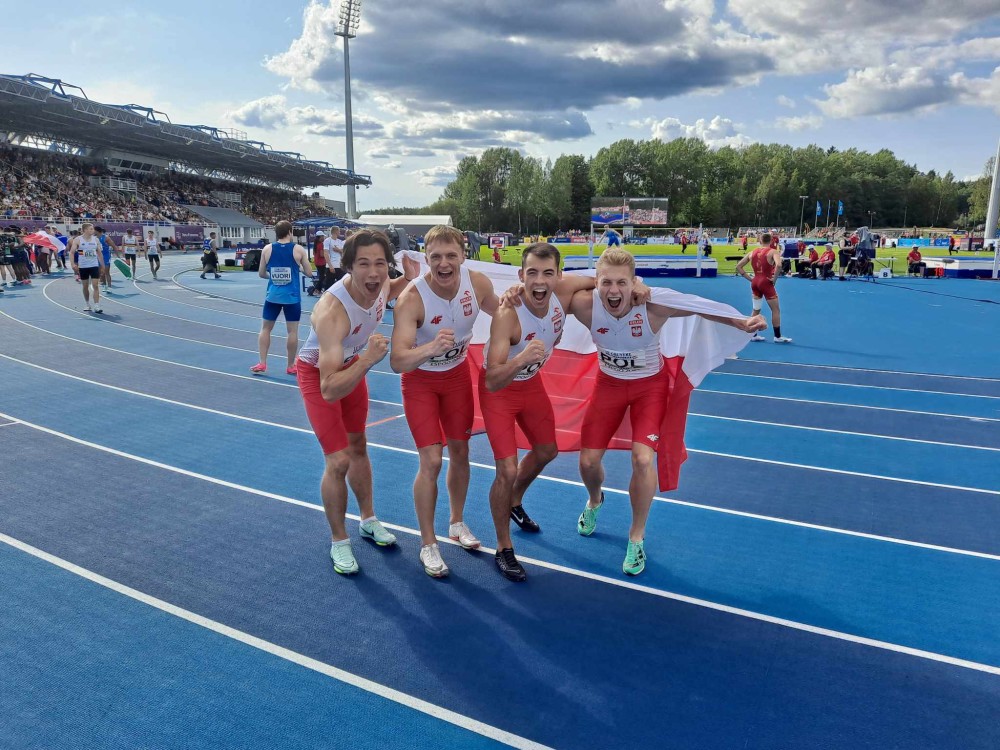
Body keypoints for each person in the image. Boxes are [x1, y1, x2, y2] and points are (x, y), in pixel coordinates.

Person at [566, 249, 764, 575]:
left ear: (633, 283)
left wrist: (740, 322)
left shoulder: (654, 304)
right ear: (595, 283)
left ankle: (636, 536)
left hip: (649, 388)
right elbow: (550, 290)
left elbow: (698, 305)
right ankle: (595, 499)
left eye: (622, 283)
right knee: (587, 462)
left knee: (643, 459)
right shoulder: (584, 304)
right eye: (606, 283)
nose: (614, 291)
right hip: (608, 387)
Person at [480, 242, 611, 581]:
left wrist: (636, 285)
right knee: (506, 470)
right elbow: (492, 380)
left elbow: (603, 279)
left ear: (558, 276)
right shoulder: (508, 314)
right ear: (521, 275)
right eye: (532, 274)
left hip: (531, 386)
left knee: (546, 451)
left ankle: (514, 502)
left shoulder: (562, 293)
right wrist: (521, 357)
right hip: (501, 392)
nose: (540, 282)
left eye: (547, 273)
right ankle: (503, 547)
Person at [296, 229, 418, 575]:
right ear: (347, 266)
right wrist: (366, 360)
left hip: (352, 366)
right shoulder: (331, 312)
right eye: (363, 264)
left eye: (380, 263)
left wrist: (407, 277)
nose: (374, 272)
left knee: (359, 446)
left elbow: (392, 289)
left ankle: (369, 520)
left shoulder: (381, 283)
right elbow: (329, 389)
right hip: (322, 374)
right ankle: (339, 541)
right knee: (338, 460)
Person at [390, 224, 505, 579]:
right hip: (421, 383)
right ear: (426, 259)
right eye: (435, 257)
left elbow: (504, 315)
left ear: (463, 255)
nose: (443, 263)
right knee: (431, 462)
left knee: (461, 452)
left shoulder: (478, 283)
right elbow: (397, 361)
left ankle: (456, 522)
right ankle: (428, 543)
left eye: (450, 255)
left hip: (456, 379)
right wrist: (430, 348)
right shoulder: (412, 298)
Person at [251, 220, 314, 376]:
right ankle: (291, 365)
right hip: (292, 298)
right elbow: (310, 273)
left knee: (265, 329)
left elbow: (261, 273)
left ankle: (262, 363)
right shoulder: (298, 250)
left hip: (272, 296)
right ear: (290, 232)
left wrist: (274, 277)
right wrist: (297, 268)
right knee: (292, 331)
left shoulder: (267, 249)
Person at [736, 233, 792, 343]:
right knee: (775, 310)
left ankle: (752, 334)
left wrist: (750, 279)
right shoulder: (773, 251)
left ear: (759, 240)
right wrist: (774, 279)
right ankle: (777, 336)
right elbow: (779, 265)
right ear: (771, 241)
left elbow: (738, 266)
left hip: (755, 282)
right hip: (766, 282)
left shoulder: (752, 252)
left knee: (756, 309)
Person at [69, 223, 105, 313]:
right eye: (91, 229)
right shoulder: (78, 240)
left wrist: (103, 265)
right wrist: (73, 264)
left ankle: (97, 305)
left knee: (95, 285)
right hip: (83, 266)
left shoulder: (96, 240)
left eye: (93, 229)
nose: (93, 230)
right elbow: (72, 252)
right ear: (85, 230)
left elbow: (99, 253)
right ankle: (87, 304)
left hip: (94, 265)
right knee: (85, 286)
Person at [95, 227, 116, 293]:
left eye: (94, 230)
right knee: (101, 273)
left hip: (106, 256)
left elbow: (114, 246)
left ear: (97, 231)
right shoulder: (93, 238)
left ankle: (109, 286)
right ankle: (105, 286)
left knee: (106, 272)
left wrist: (118, 256)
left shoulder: (106, 238)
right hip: (98, 257)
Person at [309, 230, 327, 296]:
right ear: (320, 237)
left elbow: (315, 253)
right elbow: (322, 255)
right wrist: (328, 255)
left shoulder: (315, 244)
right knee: (322, 277)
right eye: (323, 236)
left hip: (317, 262)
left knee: (322, 277)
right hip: (321, 263)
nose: (324, 238)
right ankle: (317, 290)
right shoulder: (321, 244)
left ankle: (317, 290)